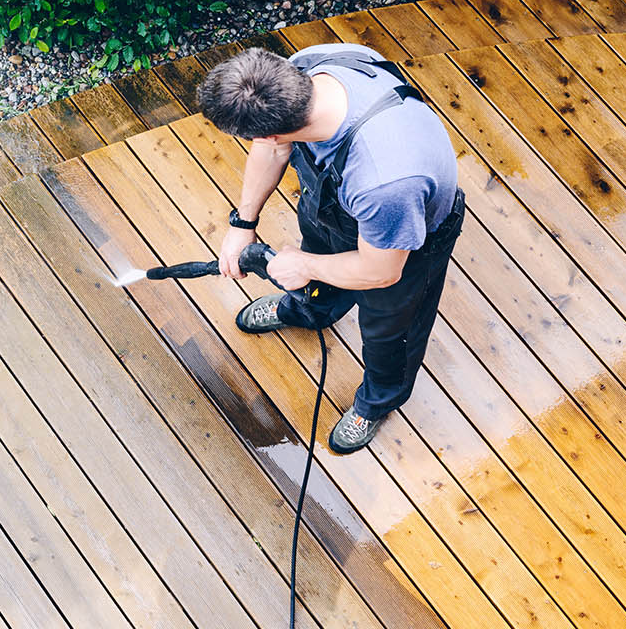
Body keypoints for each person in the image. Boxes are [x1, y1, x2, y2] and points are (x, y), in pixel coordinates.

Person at [196, 43, 465, 454]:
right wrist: (243, 224)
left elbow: (380, 272)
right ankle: (308, 311)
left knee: (390, 334)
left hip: (403, 249)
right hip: (332, 209)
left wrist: (304, 265)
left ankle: (377, 401)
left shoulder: (385, 179)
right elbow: (273, 147)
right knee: (315, 273)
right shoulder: (305, 69)